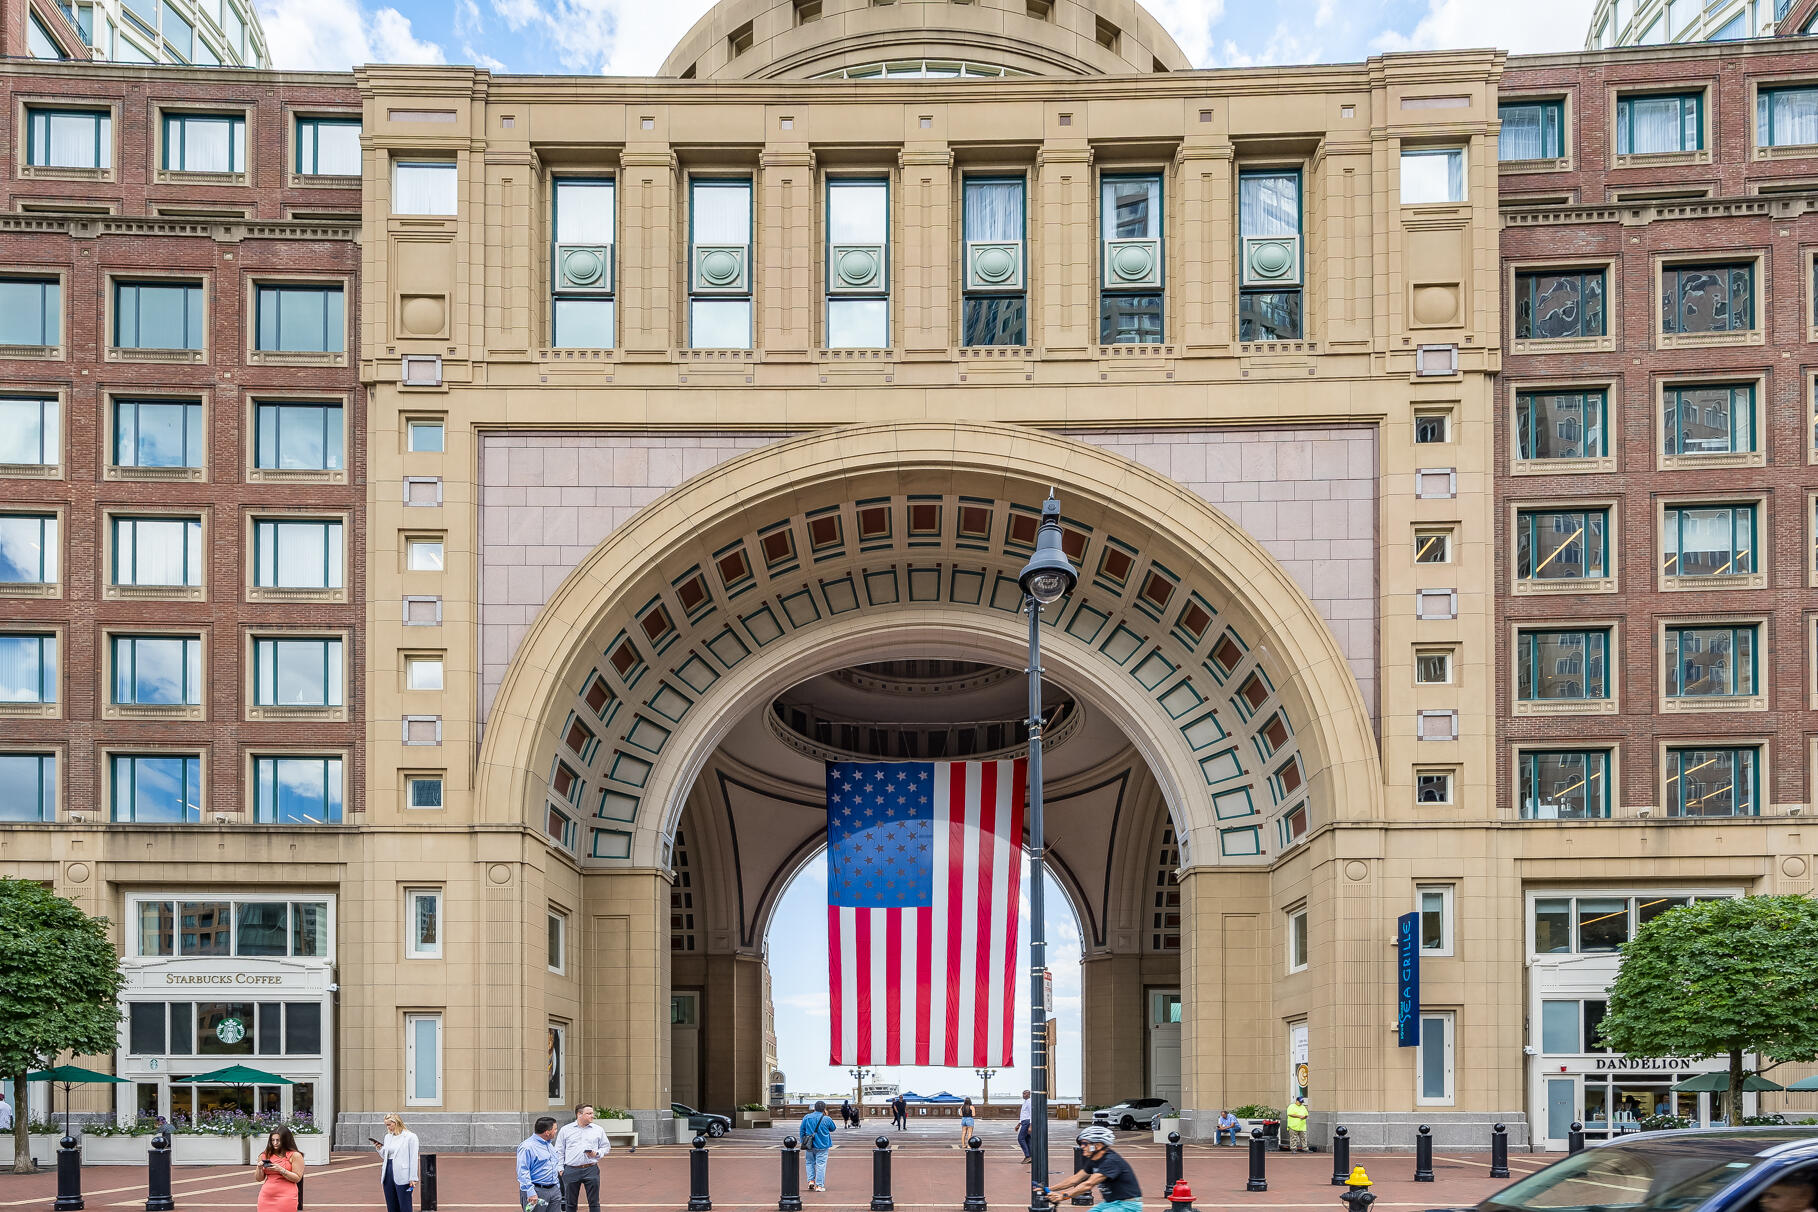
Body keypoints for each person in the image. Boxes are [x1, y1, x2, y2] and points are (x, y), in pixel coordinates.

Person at [1044, 1127, 1139, 1212]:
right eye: (1081, 1144)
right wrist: (1048, 1189)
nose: (1082, 1147)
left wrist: (1062, 1196)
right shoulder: (1094, 1159)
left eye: (1085, 1143)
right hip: (1111, 1203)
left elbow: (1088, 1184)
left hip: (1127, 1205)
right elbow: (1075, 1179)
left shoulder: (1110, 1161)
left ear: (1098, 1145)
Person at [555, 1105, 611, 1212]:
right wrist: (560, 1169)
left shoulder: (598, 1129)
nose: (592, 1116)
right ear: (579, 1114)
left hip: (591, 1169)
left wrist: (597, 1153)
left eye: (592, 1113)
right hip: (571, 1169)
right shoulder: (565, 1130)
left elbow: (606, 1147)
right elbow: (559, 1150)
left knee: (594, 1203)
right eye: (589, 1113)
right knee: (570, 1203)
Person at [374, 1114, 420, 1212]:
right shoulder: (388, 1137)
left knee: (405, 1204)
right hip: (388, 1172)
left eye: (389, 1125)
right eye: (386, 1125)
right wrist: (380, 1149)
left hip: (403, 1173)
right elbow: (386, 1156)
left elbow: (413, 1158)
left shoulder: (410, 1137)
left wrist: (413, 1177)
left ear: (396, 1123)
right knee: (391, 1204)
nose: (388, 1127)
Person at [253, 1127, 306, 1212]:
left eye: (278, 1140)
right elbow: (259, 1179)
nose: (275, 1143)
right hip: (266, 1195)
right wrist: (259, 1168)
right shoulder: (264, 1155)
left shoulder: (295, 1155)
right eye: (272, 1140)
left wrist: (281, 1170)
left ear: (286, 1140)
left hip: (286, 1196)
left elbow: (297, 1178)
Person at [517, 1117, 563, 1212]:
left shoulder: (549, 1144)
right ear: (547, 1132)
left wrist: (557, 1187)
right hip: (536, 1191)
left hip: (554, 1190)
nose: (556, 1131)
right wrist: (530, 1192)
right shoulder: (527, 1147)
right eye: (555, 1129)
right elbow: (522, 1171)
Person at [800, 1100, 836, 1193]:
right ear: (824, 1109)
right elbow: (833, 1128)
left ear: (814, 1108)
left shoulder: (807, 1117)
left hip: (809, 1144)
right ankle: (819, 1185)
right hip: (823, 1144)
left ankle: (811, 1181)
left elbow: (802, 1130)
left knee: (809, 1163)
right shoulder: (827, 1118)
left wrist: (803, 1141)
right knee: (821, 1165)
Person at [1017, 1090, 1033, 1163]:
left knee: (1021, 1138)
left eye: (1025, 1093)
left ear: (1029, 1094)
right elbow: (1023, 1114)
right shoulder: (1025, 1102)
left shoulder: (1029, 1102)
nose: (1023, 1095)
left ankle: (1028, 1156)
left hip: (1027, 1122)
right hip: (1024, 1122)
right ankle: (1030, 1156)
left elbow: (1031, 1114)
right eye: (1023, 1093)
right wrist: (1019, 1124)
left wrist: (1030, 1126)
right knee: (1027, 1140)